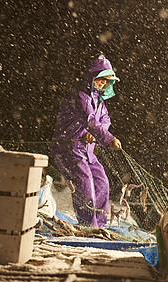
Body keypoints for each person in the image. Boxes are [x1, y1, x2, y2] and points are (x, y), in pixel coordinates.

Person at [51, 54, 122, 228]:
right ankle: (87, 226)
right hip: (69, 149)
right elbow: (90, 120)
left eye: (107, 81)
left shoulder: (99, 100)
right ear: (93, 77)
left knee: (102, 183)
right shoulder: (80, 96)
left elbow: (105, 120)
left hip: (88, 151)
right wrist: (108, 139)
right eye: (101, 80)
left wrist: (96, 133)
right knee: (85, 186)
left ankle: (100, 225)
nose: (104, 84)